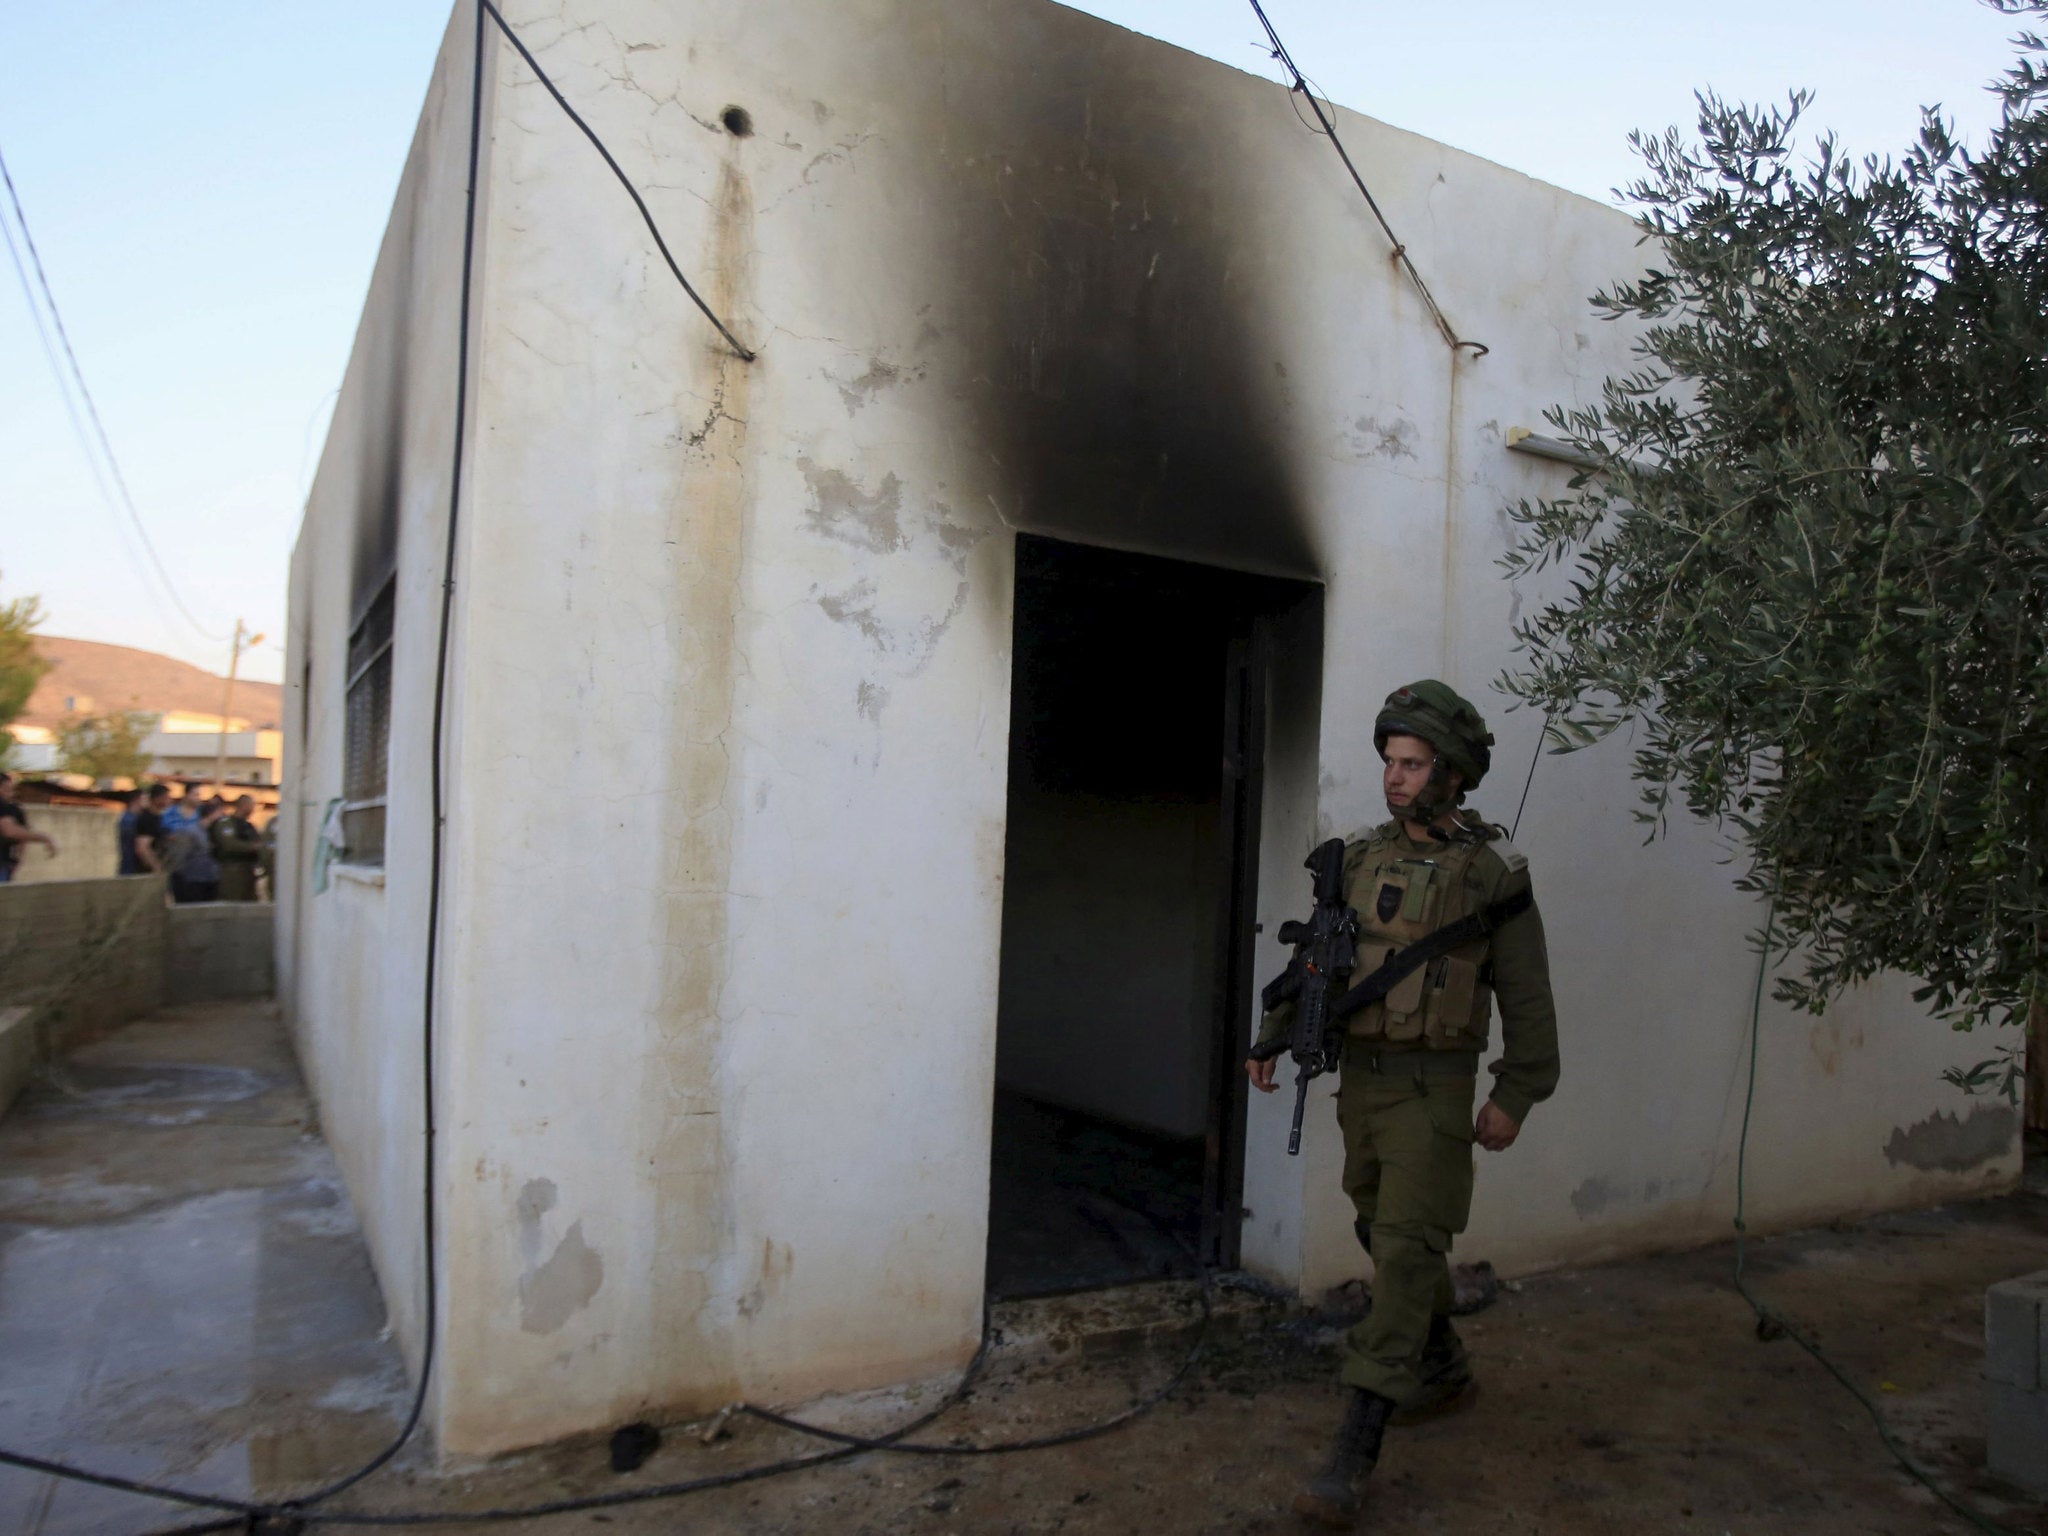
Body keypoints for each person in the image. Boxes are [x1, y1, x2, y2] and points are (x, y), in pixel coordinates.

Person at [1246, 680, 1559, 1527]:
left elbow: (1529, 1000)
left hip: (1437, 1087)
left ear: (1452, 774)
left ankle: (1354, 1446)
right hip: (1369, 1083)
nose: (1396, 777)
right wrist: (1274, 1031)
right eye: (1390, 762)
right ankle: (1444, 1365)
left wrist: (1517, 1093)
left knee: (1410, 1245)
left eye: (1414, 764)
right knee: (1376, 1228)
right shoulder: (1359, 858)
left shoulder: (1492, 874)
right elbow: (1319, 957)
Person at [164, 786, 222, 903]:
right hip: (191, 881)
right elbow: (179, 857)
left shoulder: (212, 832)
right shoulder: (190, 831)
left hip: (209, 879)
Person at [0, 771, 59, 883]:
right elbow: (9, 830)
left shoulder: (12, 809)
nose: (11, 793)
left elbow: (21, 837)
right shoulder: (5, 807)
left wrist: (15, 861)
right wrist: (45, 838)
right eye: (7, 789)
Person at [211, 795, 263, 902]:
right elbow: (229, 844)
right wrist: (252, 847)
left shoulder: (249, 826)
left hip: (248, 870)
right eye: (251, 805)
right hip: (231, 870)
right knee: (232, 901)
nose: (253, 809)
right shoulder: (226, 823)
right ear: (243, 805)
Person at [130, 783, 172, 876]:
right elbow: (142, 848)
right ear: (157, 798)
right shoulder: (148, 818)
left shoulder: (160, 818)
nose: (169, 800)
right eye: (166, 797)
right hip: (146, 872)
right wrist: (157, 868)